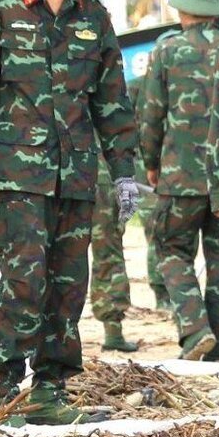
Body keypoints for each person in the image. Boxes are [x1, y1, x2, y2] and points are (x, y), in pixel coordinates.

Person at [0, 0, 139, 425]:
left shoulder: (93, 13)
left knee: (67, 282)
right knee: (23, 279)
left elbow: (111, 99)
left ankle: (50, 389)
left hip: (77, 174)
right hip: (18, 171)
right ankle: (8, 388)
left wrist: (123, 169)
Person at [139, 0, 219, 362]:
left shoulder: (168, 51)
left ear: (181, 10)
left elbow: (152, 114)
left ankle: (196, 329)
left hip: (178, 175)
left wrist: (151, 164)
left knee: (171, 250)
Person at [90, 148, 141, 352]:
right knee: (108, 254)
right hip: (102, 173)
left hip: (56, 174)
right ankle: (113, 330)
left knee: (57, 257)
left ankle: (52, 336)